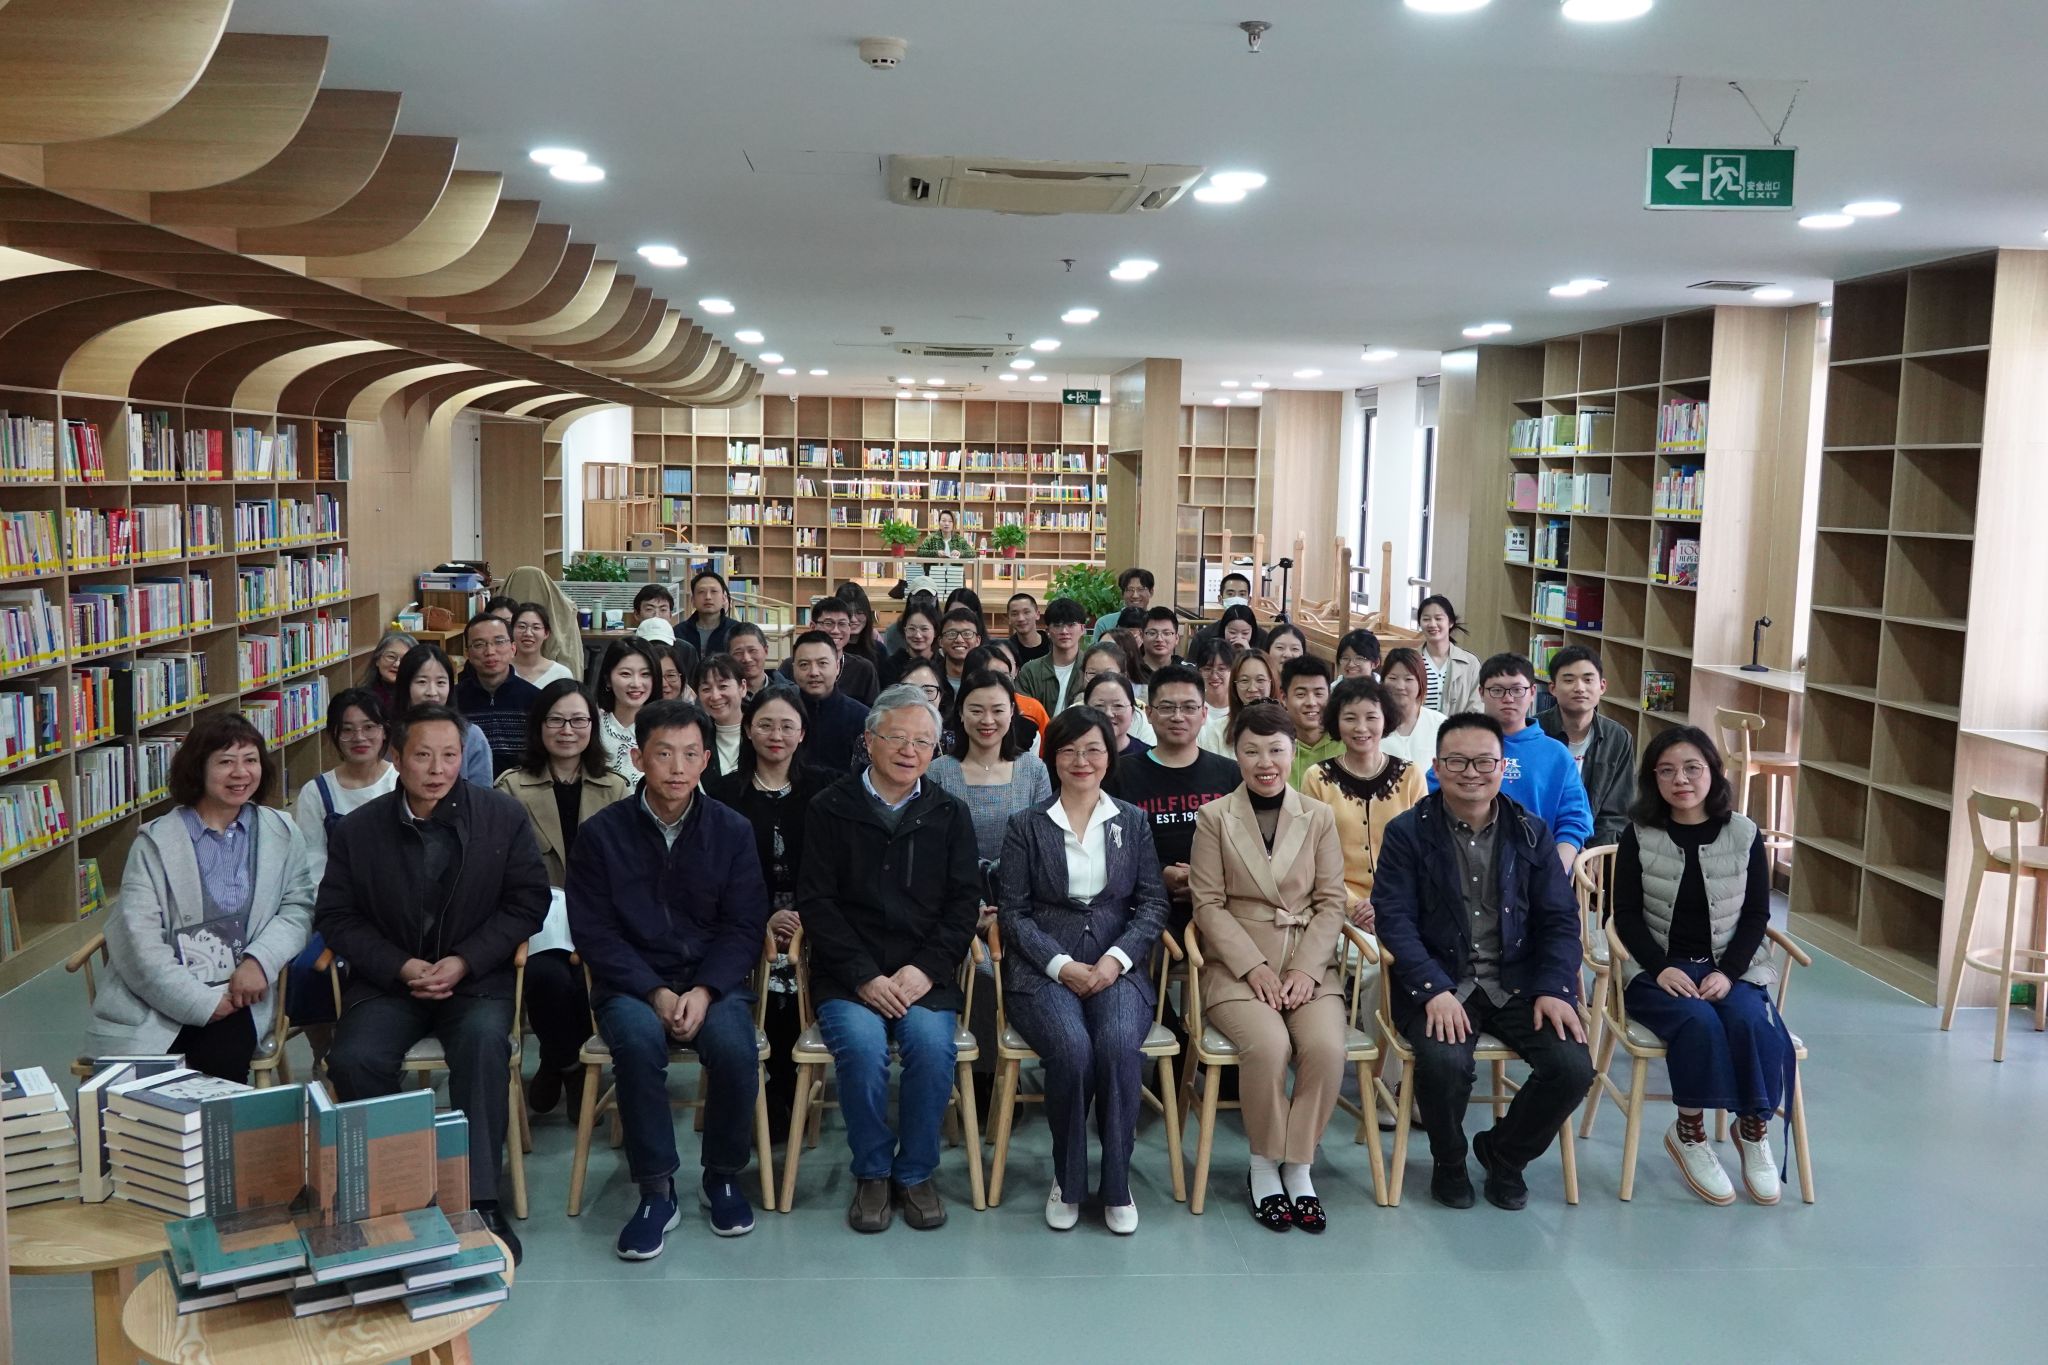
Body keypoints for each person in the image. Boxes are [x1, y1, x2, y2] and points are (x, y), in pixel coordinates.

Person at [317, 703, 549, 1261]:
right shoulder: (359, 830)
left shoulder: (501, 816)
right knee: (352, 1059)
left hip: (474, 980)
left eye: (450, 755)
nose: (438, 768)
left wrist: (465, 960)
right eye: (423, 755)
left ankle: (477, 1199)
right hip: (390, 982)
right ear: (396, 758)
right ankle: (395, 1193)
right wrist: (400, 966)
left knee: (484, 1045)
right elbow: (337, 917)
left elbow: (528, 902)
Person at [566, 698, 770, 1256]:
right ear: (638, 758)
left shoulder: (732, 830)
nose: (677, 768)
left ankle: (721, 1176)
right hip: (632, 983)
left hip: (711, 981)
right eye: (663, 754)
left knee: (734, 1047)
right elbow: (594, 931)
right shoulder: (601, 834)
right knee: (636, 1044)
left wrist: (704, 990)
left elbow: (744, 924)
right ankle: (656, 1191)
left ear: (706, 760)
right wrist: (653, 990)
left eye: (689, 754)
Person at [1372, 712, 1594, 1213]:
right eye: (1457, 762)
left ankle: (1504, 1154)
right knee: (1444, 1062)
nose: (1470, 772)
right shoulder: (1408, 833)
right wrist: (1432, 988)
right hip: (1441, 980)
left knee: (1572, 1066)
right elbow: (1395, 920)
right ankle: (1449, 1161)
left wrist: (1555, 988)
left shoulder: (1531, 832)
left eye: (1483, 762)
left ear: (1501, 766)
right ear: (1436, 766)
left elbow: (1560, 920)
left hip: (1519, 982)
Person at [795, 685, 982, 1233]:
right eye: (897, 737)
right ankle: (873, 1171)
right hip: (849, 975)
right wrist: (864, 977)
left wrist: (924, 969)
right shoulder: (829, 807)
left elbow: (963, 905)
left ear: (935, 751)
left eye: (923, 742)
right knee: (862, 1048)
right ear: (869, 740)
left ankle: (916, 1172)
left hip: (925, 974)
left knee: (930, 1047)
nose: (909, 751)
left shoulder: (949, 812)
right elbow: (817, 904)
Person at [998, 707, 1169, 1234]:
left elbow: (1153, 904)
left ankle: (1117, 1184)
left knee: (1117, 1045)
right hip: (1043, 968)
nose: (1082, 760)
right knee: (1072, 1050)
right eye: (1069, 750)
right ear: (1052, 757)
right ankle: (1067, 1180)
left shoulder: (1131, 821)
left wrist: (1116, 960)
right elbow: (1013, 913)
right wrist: (1061, 965)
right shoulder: (1026, 824)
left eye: (1093, 749)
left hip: (1119, 964)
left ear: (1109, 756)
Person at [1611, 726, 1791, 1206]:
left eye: (1692, 768)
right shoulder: (1639, 834)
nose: (1681, 780)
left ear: (1713, 772)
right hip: (1656, 969)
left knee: (1753, 1021)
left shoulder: (1744, 833)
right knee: (1697, 1021)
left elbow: (1756, 915)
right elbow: (1624, 915)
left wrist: (1728, 973)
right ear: (1653, 779)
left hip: (1731, 966)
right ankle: (1688, 1131)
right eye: (1666, 771)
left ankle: (1752, 1129)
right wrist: (1657, 967)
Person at [1189, 702, 1349, 1233]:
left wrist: (1305, 970)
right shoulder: (1214, 817)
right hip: (1237, 967)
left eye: (1276, 750)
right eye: (1252, 750)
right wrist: (1253, 967)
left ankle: (1298, 1166)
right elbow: (1207, 904)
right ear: (1234, 754)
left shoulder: (1318, 816)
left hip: (1307, 962)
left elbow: (1331, 903)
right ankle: (1263, 1164)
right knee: (1269, 1046)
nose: (1265, 762)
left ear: (1293, 752)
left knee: (1326, 1048)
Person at [85, 713, 314, 1080]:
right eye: (225, 762)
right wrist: (198, 1002)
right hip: (159, 994)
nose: (241, 773)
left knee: (220, 1060)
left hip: (240, 991)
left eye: (250, 760)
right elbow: (138, 939)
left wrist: (259, 961)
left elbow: (298, 908)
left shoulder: (281, 832)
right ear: (198, 769)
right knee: (148, 1078)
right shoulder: (155, 842)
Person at [494, 680, 631, 1115]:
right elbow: (502, 870)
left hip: (603, 917)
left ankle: (557, 1063)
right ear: (539, 726)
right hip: (538, 920)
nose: (567, 730)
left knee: (587, 977)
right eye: (556, 720)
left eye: (578, 720)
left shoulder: (616, 787)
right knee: (548, 977)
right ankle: (570, 1066)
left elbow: (631, 869)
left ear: (593, 725)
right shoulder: (511, 788)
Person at [706, 685, 831, 1143]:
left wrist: (803, 916)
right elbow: (714, 874)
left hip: (812, 918)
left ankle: (788, 1086)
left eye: (786, 726)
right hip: (742, 920)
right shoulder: (722, 792)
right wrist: (761, 920)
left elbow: (836, 868)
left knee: (798, 972)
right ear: (747, 729)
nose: (776, 735)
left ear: (802, 733)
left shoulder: (826, 788)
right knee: (767, 975)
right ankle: (767, 1093)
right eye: (765, 725)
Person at [290, 689, 399, 1028]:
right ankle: (324, 1048)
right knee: (308, 970)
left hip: (397, 909)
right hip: (339, 909)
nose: (359, 738)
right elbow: (312, 864)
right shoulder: (317, 792)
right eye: (347, 730)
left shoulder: (400, 782)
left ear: (384, 730)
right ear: (333, 735)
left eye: (369, 727)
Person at [1107, 664, 1240, 935]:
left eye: (1189, 708)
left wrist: (1208, 882)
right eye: (1167, 707)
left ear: (1204, 714)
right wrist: (1159, 874)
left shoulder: (1231, 774)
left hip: (1223, 906)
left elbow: (1248, 847)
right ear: (1149, 713)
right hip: (1139, 909)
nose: (1178, 717)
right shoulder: (1119, 774)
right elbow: (1108, 848)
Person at [1429, 653, 1593, 871]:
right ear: (1481, 693)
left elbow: (1574, 821)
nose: (1508, 698)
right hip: (1463, 867)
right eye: (1497, 690)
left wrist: (1553, 874)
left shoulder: (1557, 754)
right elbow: (1430, 800)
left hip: (1539, 869)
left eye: (1517, 690)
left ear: (1532, 692)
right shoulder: (1460, 747)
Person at [1299, 677, 1427, 929]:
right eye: (1350, 718)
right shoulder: (1317, 778)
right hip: (1338, 908)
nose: (1361, 728)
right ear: (1336, 722)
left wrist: (1386, 903)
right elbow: (1311, 858)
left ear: (1385, 719)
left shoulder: (1411, 775)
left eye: (1371, 717)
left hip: (1403, 904)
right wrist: (1353, 906)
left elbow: (1423, 853)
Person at [928, 670, 1051, 866]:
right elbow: (931, 844)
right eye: (976, 711)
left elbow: (1042, 842)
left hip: (1020, 881)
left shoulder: (1034, 770)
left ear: (1012, 711)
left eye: (998, 711)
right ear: (961, 712)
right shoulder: (936, 772)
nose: (987, 720)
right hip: (952, 881)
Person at [1537, 646, 1636, 849]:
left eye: (1588, 680)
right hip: (1541, 844)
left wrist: (1591, 854)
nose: (1579, 688)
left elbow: (1617, 813)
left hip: (1594, 849)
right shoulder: (1535, 732)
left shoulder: (1618, 738)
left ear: (1602, 686)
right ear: (1552, 688)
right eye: (1569, 680)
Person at [395, 642, 494, 787]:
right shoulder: (388, 734)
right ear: (405, 686)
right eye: (422, 682)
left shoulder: (471, 736)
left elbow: (482, 795)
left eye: (441, 682)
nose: (432, 692)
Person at [455, 612, 541, 777]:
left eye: (499, 642)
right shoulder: (453, 699)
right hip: (469, 787)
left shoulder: (536, 699)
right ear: (468, 654)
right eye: (479, 644)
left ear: (513, 648)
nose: (490, 651)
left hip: (522, 787)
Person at [788, 629, 870, 772]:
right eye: (804, 664)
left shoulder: (862, 718)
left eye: (822, 663)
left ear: (837, 667)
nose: (814, 672)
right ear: (794, 669)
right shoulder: (784, 714)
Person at [777, 597, 878, 705]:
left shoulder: (864, 669)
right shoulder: (790, 666)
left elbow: (874, 712)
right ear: (812, 627)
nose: (835, 631)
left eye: (842, 624)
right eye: (828, 623)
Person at [594, 637, 662, 781]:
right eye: (625, 674)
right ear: (608, 679)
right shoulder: (592, 727)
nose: (636, 683)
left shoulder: (666, 729)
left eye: (645, 674)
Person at [965, 643, 1047, 748]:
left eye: (1005, 676)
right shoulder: (948, 730)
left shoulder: (1029, 732)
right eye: (991, 676)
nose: (999, 682)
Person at [1016, 597, 1090, 714]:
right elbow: (1023, 714)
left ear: (1082, 629)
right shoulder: (1030, 671)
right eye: (1057, 625)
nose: (1064, 631)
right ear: (1048, 631)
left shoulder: (1092, 668)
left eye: (1071, 625)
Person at [1199, 648, 1276, 755]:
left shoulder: (1286, 727)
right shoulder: (1216, 731)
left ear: (1272, 682)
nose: (1252, 688)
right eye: (1244, 680)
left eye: (1260, 680)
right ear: (1234, 685)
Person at [1280, 655, 1341, 787]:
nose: (1311, 702)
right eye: (1301, 694)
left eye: (1318, 694)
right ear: (1284, 698)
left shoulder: (1346, 741)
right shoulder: (1275, 745)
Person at [1379, 647, 1446, 766]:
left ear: (1421, 683)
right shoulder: (1373, 723)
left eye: (1408, 679)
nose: (1400, 686)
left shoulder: (1440, 724)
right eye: (1393, 678)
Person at [1417, 594, 1481, 715]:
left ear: (1451, 622)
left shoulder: (1470, 663)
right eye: (1426, 619)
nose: (1432, 624)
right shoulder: (1410, 660)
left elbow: (1477, 706)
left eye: (1438, 618)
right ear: (1420, 623)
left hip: (1460, 727)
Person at [694, 652, 748, 778]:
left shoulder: (762, 732)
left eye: (723, 686)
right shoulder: (697, 737)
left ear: (743, 687)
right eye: (706, 689)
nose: (715, 696)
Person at [1082, 671, 1149, 759]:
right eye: (1099, 706)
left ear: (1132, 711)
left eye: (1118, 706)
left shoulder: (1148, 758)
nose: (1108, 714)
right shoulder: (1070, 753)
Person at [879, 600, 941, 689]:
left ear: (935, 632)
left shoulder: (943, 664)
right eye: (912, 629)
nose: (918, 635)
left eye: (924, 629)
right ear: (904, 630)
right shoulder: (891, 666)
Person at [512, 603, 575, 688]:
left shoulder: (561, 675)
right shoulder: (501, 670)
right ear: (512, 630)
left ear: (546, 633)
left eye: (536, 627)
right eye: (522, 626)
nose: (528, 633)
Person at [680, 570, 738, 656]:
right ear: (693, 600)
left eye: (714, 591)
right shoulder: (679, 632)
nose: (708, 597)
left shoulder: (736, 630)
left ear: (724, 598)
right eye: (701, 592)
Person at [362, 629, 417, 717]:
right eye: (391, 657)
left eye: (405, 659)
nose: (397, 664)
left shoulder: (419, 698)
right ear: (377, 660)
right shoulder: (363, 698)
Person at [1191, 637, 1238, 734]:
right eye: (1207, 669)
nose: (1214, 676)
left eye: (1221, 669)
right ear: (1199, 671)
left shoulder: (1240, 705)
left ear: (1233, 670)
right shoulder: (1192, 705)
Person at [936, 607, 985, 700]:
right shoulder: (931, 677)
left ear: (978, 640)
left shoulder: (988, 677)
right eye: (951, 633)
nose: (959, 640)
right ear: (940, 641)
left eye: (967, 633)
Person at [1132, 607, 1183, 694]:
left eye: (1166, 633)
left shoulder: (1186, 671)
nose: (1159, 639)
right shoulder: (1131, 670)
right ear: (1141, 636)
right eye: (1152, 633)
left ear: (1177, 638)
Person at [1093, 567, 1154, 640]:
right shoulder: (1105, 623)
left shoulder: (1157, 622)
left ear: (1151, 592)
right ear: (1122, 593)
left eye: (1141, 589)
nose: (1135, 595)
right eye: (1129, 590)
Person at [836, 582, 881, 664]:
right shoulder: (828, 648)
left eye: (859, 612)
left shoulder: (878, 648)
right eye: (848, 613)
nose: (853, 619)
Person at [725, 622, 772, 697]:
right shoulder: (723, 697)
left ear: (766, 651)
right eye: (738, 653)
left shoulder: (786, 694)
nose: (747, 659)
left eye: (752, 650)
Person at [1006, 592, 1048, 665]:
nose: (1021, 619)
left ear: (1037, 614)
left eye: (1026, 612)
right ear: (1009, 618)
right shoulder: (1006, 650)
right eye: (1014, 614)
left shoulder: (1052, 645)